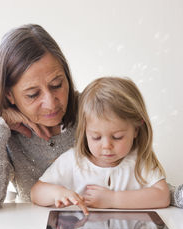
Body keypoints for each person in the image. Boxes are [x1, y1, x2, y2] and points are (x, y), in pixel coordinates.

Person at [0, 24, 88, 215]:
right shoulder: (2, 132)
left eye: (57, 85)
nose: (50, 103)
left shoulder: (93, 109)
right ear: (9, 95)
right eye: (32, 94)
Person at [31, 76, 174, 209]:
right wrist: (57, 193)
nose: (106, 146)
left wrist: (113, 199)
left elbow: (163, 196)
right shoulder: (74, 161)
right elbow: (36, 193)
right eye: (96, 137)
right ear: (85, 131)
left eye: (117, 137)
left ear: (136, 129)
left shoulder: (139, 160)